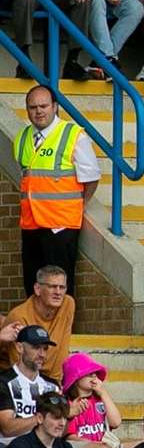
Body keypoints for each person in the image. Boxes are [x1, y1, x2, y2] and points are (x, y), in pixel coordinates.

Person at [11, 86, 100, 298]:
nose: (38, 111)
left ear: (55, 107)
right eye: (32, 107)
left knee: (59, 285)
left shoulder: (73, 135)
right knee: (33, 284)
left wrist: (78, 205)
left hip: (60, 224)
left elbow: (91, 178)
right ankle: (36, 331)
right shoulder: (22, 137)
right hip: (32, 223)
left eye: (43, 106)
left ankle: (60, 330)